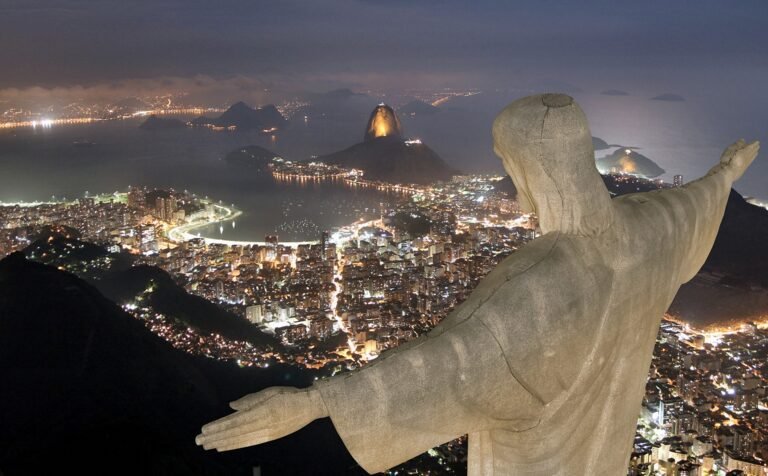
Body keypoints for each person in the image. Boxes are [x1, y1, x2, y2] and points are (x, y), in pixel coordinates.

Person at [196, 93, 759, 475]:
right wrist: (726, 173)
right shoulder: (649, 229)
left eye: (509, 164)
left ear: (530, 169)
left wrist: (315, 403)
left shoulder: (542, 282)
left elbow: (450, 364)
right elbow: (695, 203)